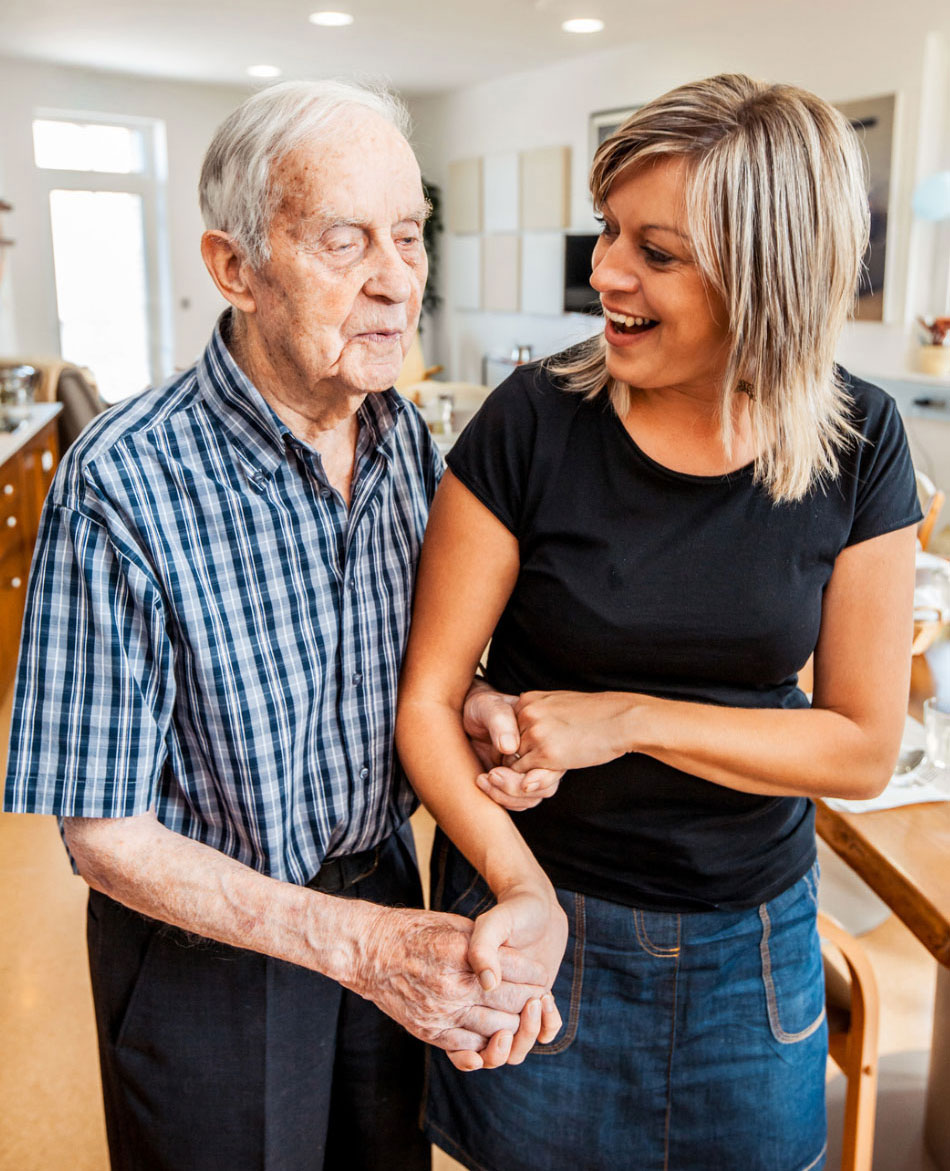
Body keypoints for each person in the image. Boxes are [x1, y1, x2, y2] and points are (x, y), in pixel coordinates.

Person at [2, 80, 559, 1171]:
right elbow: (102, 833)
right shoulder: (125, 483)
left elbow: (410, 663)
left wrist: (479, 707)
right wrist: (357, 945)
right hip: (205, 942)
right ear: (234, 267)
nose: (394, 280)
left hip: (385, 885)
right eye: (343, 240)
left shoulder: (406, 443)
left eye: (407, 235)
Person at [396, 73, 922, 1171]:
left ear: (766, 271)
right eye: (606, 231)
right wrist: (520, 886)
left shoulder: (858, 440)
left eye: (658, 251)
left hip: (753, 949)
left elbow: (859, 745)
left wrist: (624, 718)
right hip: (544, 926)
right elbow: (429, 699)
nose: (604, 272)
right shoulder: (531, 422)